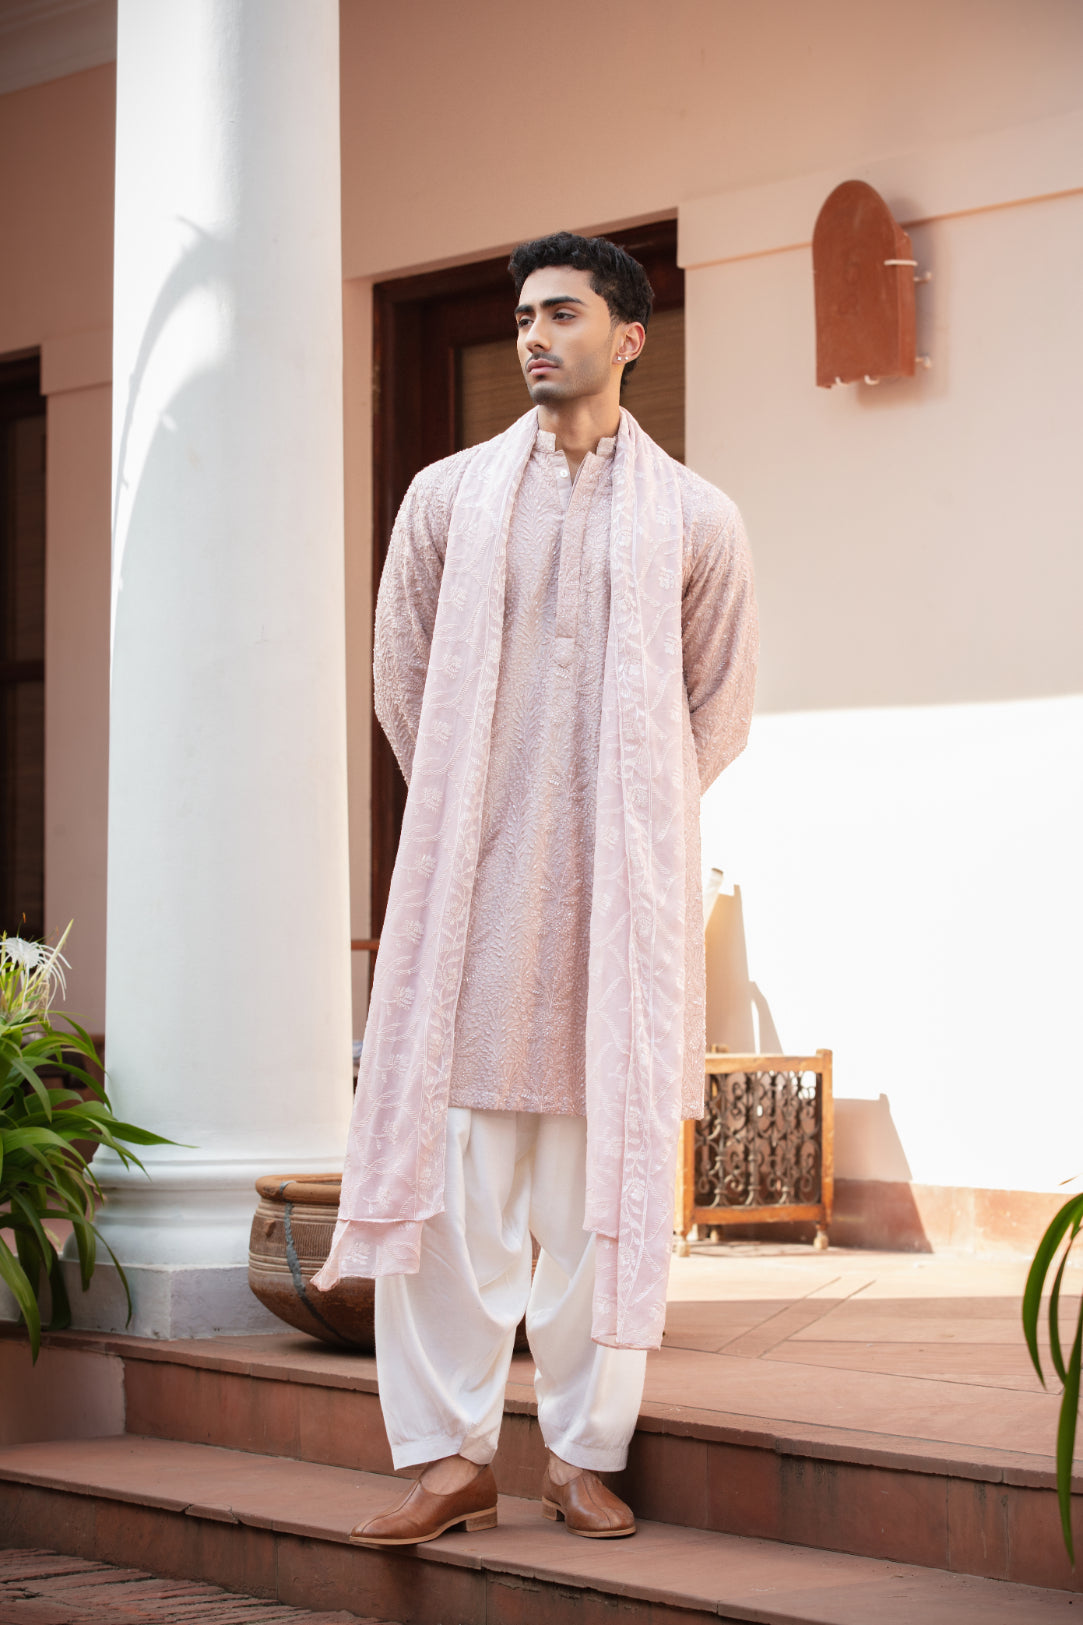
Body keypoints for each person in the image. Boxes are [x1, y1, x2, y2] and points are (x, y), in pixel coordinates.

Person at [312, 232, 757, 1547]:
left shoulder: (699, 519)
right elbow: (403, 678)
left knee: (598, 1201)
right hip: (475, 905)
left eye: (562, 314)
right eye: (522, 318)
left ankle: (579, 1455)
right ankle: (448, 1458)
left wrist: (627, 824)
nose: (533, 337)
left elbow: (717, 709)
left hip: (614, 917)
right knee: (449, 1199)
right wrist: (482, 808)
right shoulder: (446, 498)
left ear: (629, 337)